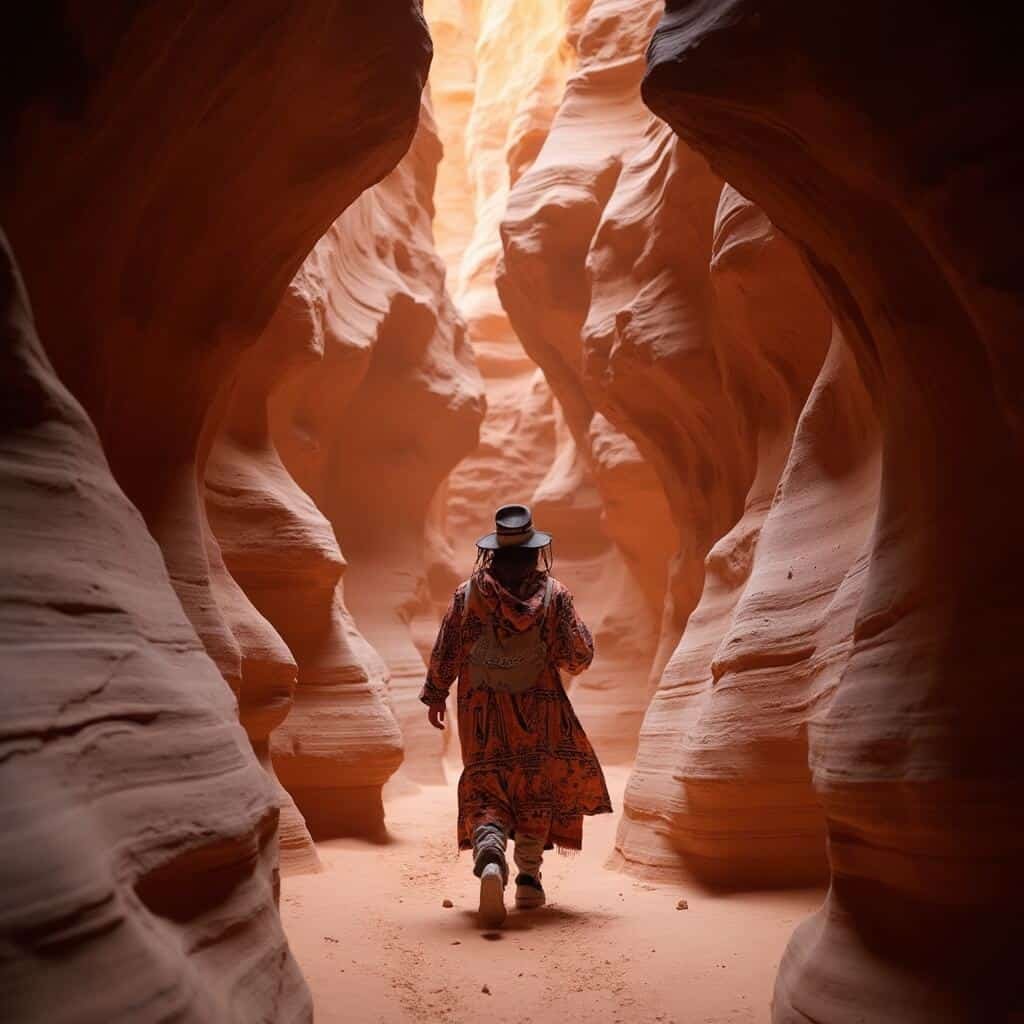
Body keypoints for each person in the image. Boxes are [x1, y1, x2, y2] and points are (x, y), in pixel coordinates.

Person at [420, 503, 612, 927]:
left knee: (487, 781)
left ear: (493, 552)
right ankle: (528, 878)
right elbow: (577, 657)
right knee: (534, 785)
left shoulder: (468, 595)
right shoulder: (556, 597)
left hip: (481, 709)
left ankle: (490, 855)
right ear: (534, 551)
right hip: (538, 705)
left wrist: (436, 694)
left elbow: (447, 647)